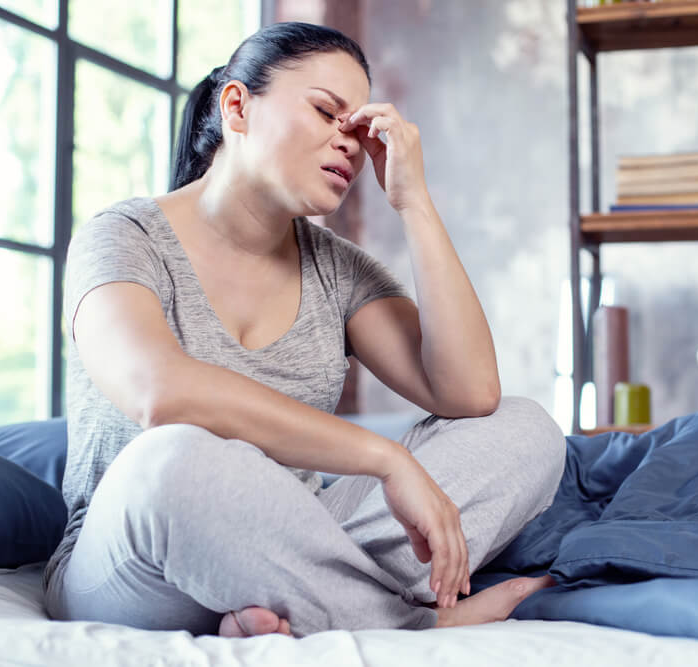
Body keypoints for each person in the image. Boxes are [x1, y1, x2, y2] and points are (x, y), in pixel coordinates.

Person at [42, 21, 566, 639]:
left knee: (526, 427)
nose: (348, 142)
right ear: (237, 106)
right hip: (140, 559)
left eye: (359, 127)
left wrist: (414, 202)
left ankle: (289, 608)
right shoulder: (122, 237)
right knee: (171, 461)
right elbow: (160, 393)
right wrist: (386, 459)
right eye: (326, 113)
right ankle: (407, 624)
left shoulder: (338, 270)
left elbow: (470, 393)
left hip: (295, 537)